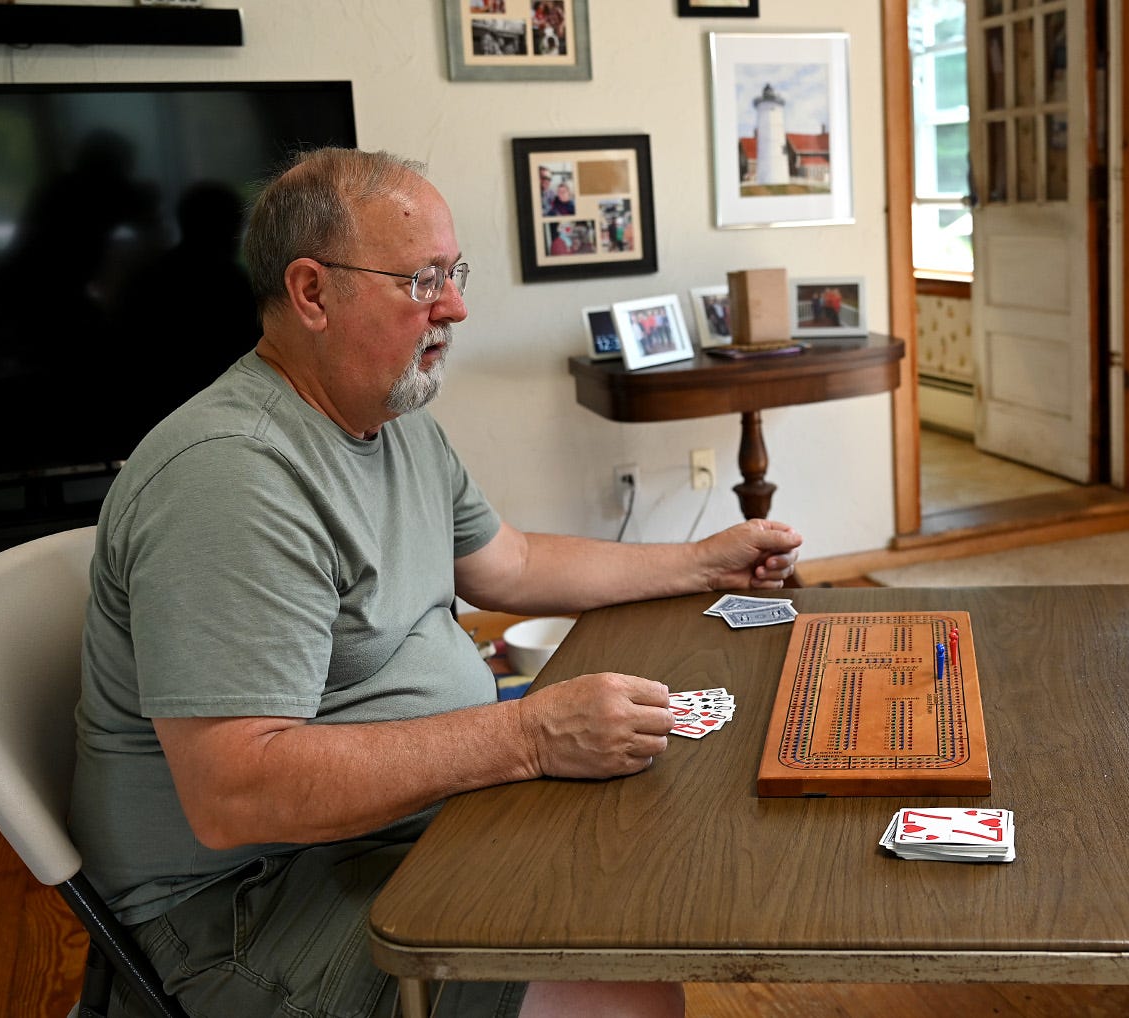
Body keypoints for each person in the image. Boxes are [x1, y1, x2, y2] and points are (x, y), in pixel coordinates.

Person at [70, 148, 802, 1018]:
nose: (454, 306)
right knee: (622, 993)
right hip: (251, 903)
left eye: (454, 274)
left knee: (648, 875)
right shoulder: (231, 478)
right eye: (422, 280)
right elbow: (238, 793)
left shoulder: (393, 418)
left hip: (402, 825)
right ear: (311, 293)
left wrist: (701, 561)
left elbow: (511, 564)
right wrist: (527, 735)